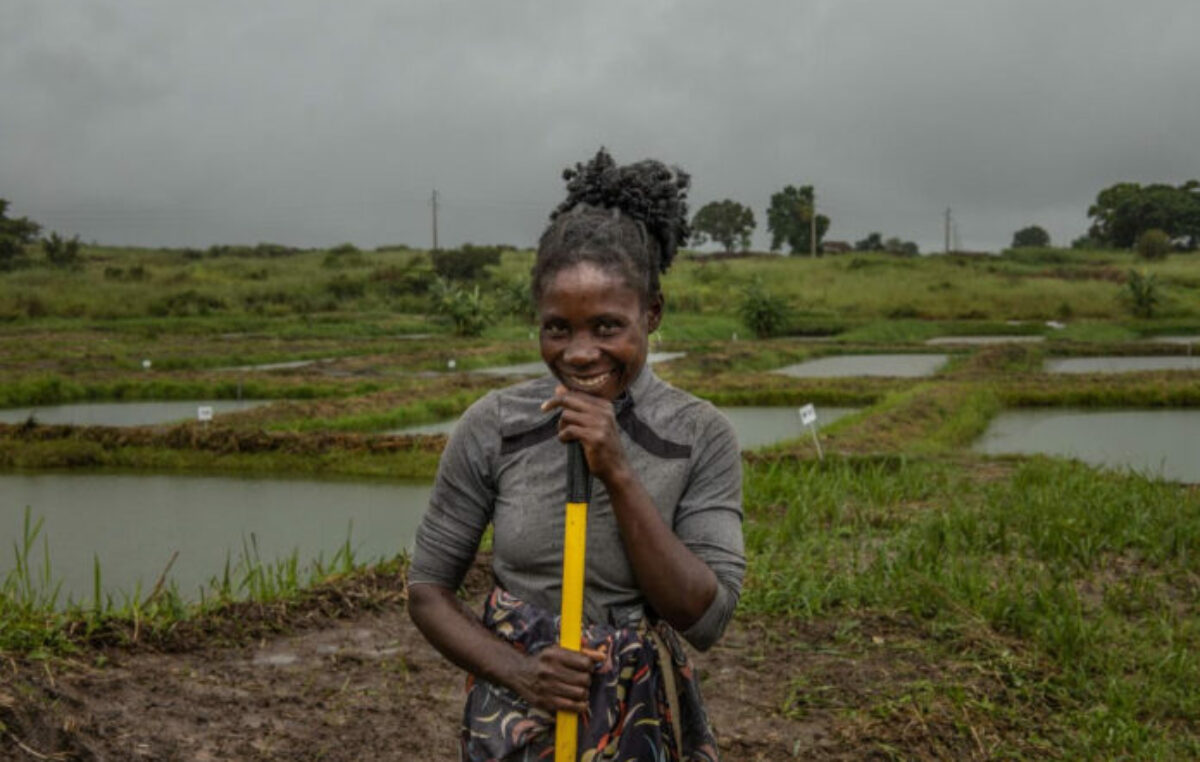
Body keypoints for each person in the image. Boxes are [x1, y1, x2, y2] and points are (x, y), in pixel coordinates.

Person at [408, 148, 745, 761]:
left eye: (608, 327)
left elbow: (704, 616)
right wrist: (520, 671)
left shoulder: (699, 434)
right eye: (558, 328)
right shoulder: (494, 426)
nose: (581, 353)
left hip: (641, 714)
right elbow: (427, 592)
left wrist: (616, 470)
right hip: (519, 716)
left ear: (653, 313)